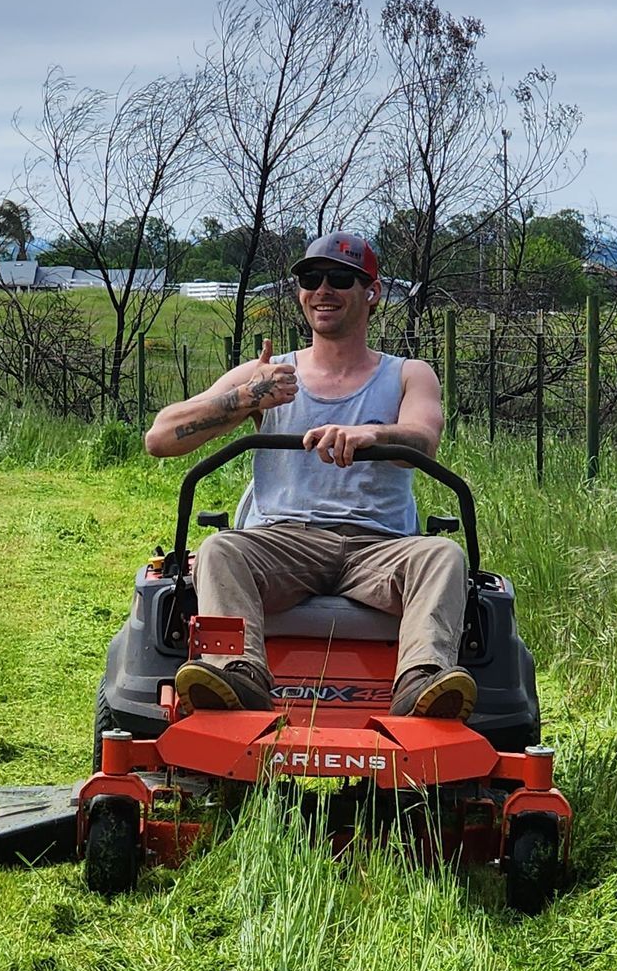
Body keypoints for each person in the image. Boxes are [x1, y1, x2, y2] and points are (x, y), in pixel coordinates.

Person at [142, 233, 475, 719]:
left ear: (372, 292)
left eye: (341, 279)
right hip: (283, 540)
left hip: (379, 545)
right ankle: (237, 676)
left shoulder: (408, 374)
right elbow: (161, 438)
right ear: (298, 290)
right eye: (310, 278)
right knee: (219, 550)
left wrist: (370, 436)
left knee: (444, 555)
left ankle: (422, 684)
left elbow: (422, 442)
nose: (324, 289)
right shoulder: (269, 373)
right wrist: (245, 398)